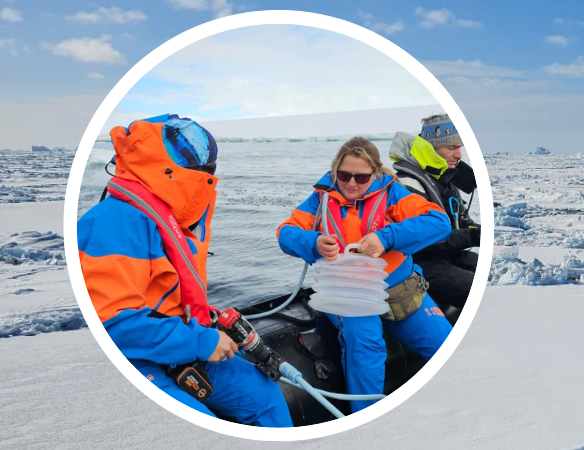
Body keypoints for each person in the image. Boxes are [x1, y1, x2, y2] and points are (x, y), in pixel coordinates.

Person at [78, 114, 292, 427]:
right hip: (136, 359)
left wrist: (203, 328)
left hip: (178, 344)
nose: (207, 169)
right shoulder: (114, 222)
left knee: (263, 395)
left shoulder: (165, 214)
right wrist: (203, 343)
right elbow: (111, 325)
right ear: (166, 164)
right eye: (198, 162)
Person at [276, 136, 452, 413]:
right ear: (335, 171)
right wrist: (313, 243)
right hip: (349, 296)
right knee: (366, 348)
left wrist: (387, 237)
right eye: (344, 175)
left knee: (445, 344)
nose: (351, 184)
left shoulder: (393, 193)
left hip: (400, 291)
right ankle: (366, 422)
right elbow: (286, 233)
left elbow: (438, 222)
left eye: (362, 177)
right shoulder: (320, 198)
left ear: (376, 173)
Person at [388, 113, 480, 312]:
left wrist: (476, 230)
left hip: (448, 257)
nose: (459, 155)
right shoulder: (408, 184)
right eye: (452, 148)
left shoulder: (444, 178)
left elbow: (461, 221)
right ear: (430, 147)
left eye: (460, 148)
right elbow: (425, 241)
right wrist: (474, 236)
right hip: (418, 265)